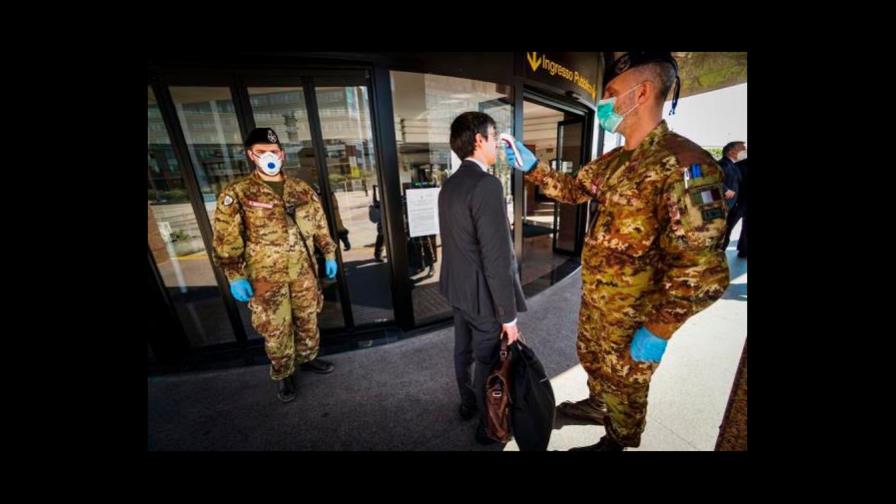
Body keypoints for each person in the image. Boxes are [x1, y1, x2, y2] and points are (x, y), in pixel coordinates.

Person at [504, 52, 730, 450]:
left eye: (610, 92)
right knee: (594, 361)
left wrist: (658, 330)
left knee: (626, 383)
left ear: (641, 93)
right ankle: (597, 405)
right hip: (599, 303)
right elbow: (574, 189)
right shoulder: (614, 162)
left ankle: (619, 439)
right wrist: (533, 167)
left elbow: (703, 271)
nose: (603, 102)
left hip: (637, 314)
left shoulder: (685, 165)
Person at [212, 127, 339, 403]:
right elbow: (226, 238)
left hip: (303, 272)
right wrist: (234, 275)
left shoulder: (301, 189)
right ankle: (283, 373)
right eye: (261, 152)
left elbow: (319, 224)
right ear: (251, 155)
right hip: (265, 277)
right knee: (276, 327)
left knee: (307, 318)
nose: (269, 156)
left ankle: (308, 358)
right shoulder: (238, 193)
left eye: (273, 151)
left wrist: (329, 254)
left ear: (281, 154)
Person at [438, 111, 527, 445]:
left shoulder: (449, 185)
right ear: (479, 140)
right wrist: (509, 316)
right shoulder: (487, 185)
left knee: (462, 350)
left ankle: (467, 404)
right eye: (494, 137)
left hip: (457, 289)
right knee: (488, 360)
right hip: (483, 297)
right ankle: (487, 424)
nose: (497, 145)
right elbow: (497, 258)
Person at [719, 141, 746, 250]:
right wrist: (725, 190)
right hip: (725, 205)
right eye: (742, 149)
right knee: (723, 233)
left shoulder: (732, 165)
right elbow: (714, 179)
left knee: (726, 232)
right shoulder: (723, 164)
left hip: (732, 205)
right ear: (731, 152)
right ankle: (719, 252)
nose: (745, 151)